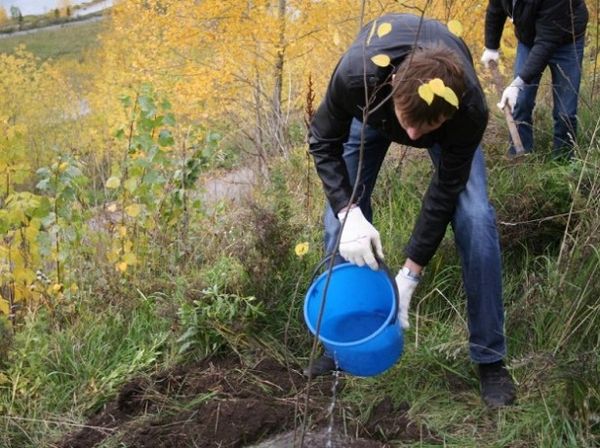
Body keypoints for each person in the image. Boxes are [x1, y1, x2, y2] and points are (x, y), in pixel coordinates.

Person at [307, 13, 516, 408]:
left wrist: (410, 275)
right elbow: (322, 141)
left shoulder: (467, 110)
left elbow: (443, 194)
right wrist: (349, 211)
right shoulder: (358, 77)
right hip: (374, 110)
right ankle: (339, 346)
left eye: (428, 128)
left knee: (475, 219)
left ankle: (490, 360)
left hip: (438, 117)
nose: (415, 138)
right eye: (409, 126)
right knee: (337, 226)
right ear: (391, 89)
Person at [481, 0, 588, 159]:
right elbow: (496, 8)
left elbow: (546, 42)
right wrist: (491, 46)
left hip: (566, 40)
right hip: (529, 39)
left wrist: (518, 83)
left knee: (565, 113)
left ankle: (563, 164)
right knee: (520, 102)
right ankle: (520, 159)